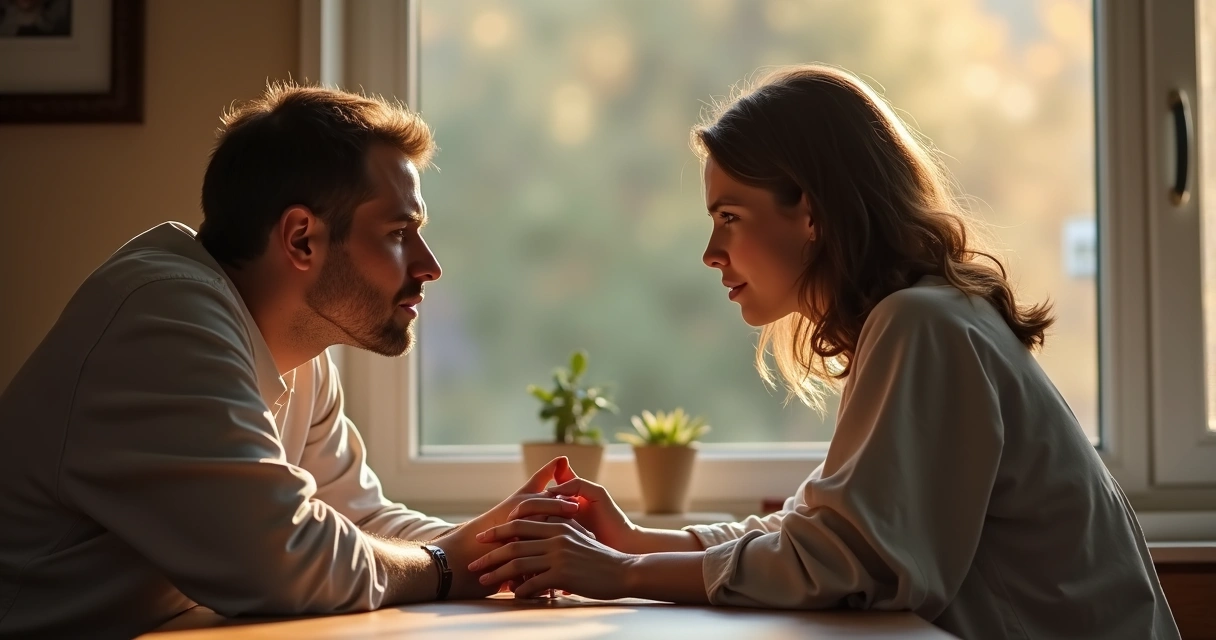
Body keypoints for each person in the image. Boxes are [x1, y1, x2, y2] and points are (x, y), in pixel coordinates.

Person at [465, 64, 1181, 639]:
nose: (711, 252)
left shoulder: (921, 325)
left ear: (810, 210)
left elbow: (848, 565)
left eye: (729, 217)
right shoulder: (924, 317)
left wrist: (621, 573)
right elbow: (823, 534)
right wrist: (635, 542)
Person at [0, 83, 583, 638]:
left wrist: (504, 549)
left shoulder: (298, 353)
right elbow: (283, 558)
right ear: (302, 238)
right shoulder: (162, 319)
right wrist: (447, 564)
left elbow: (360, 524)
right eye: (400, 232)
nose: (429, 265)